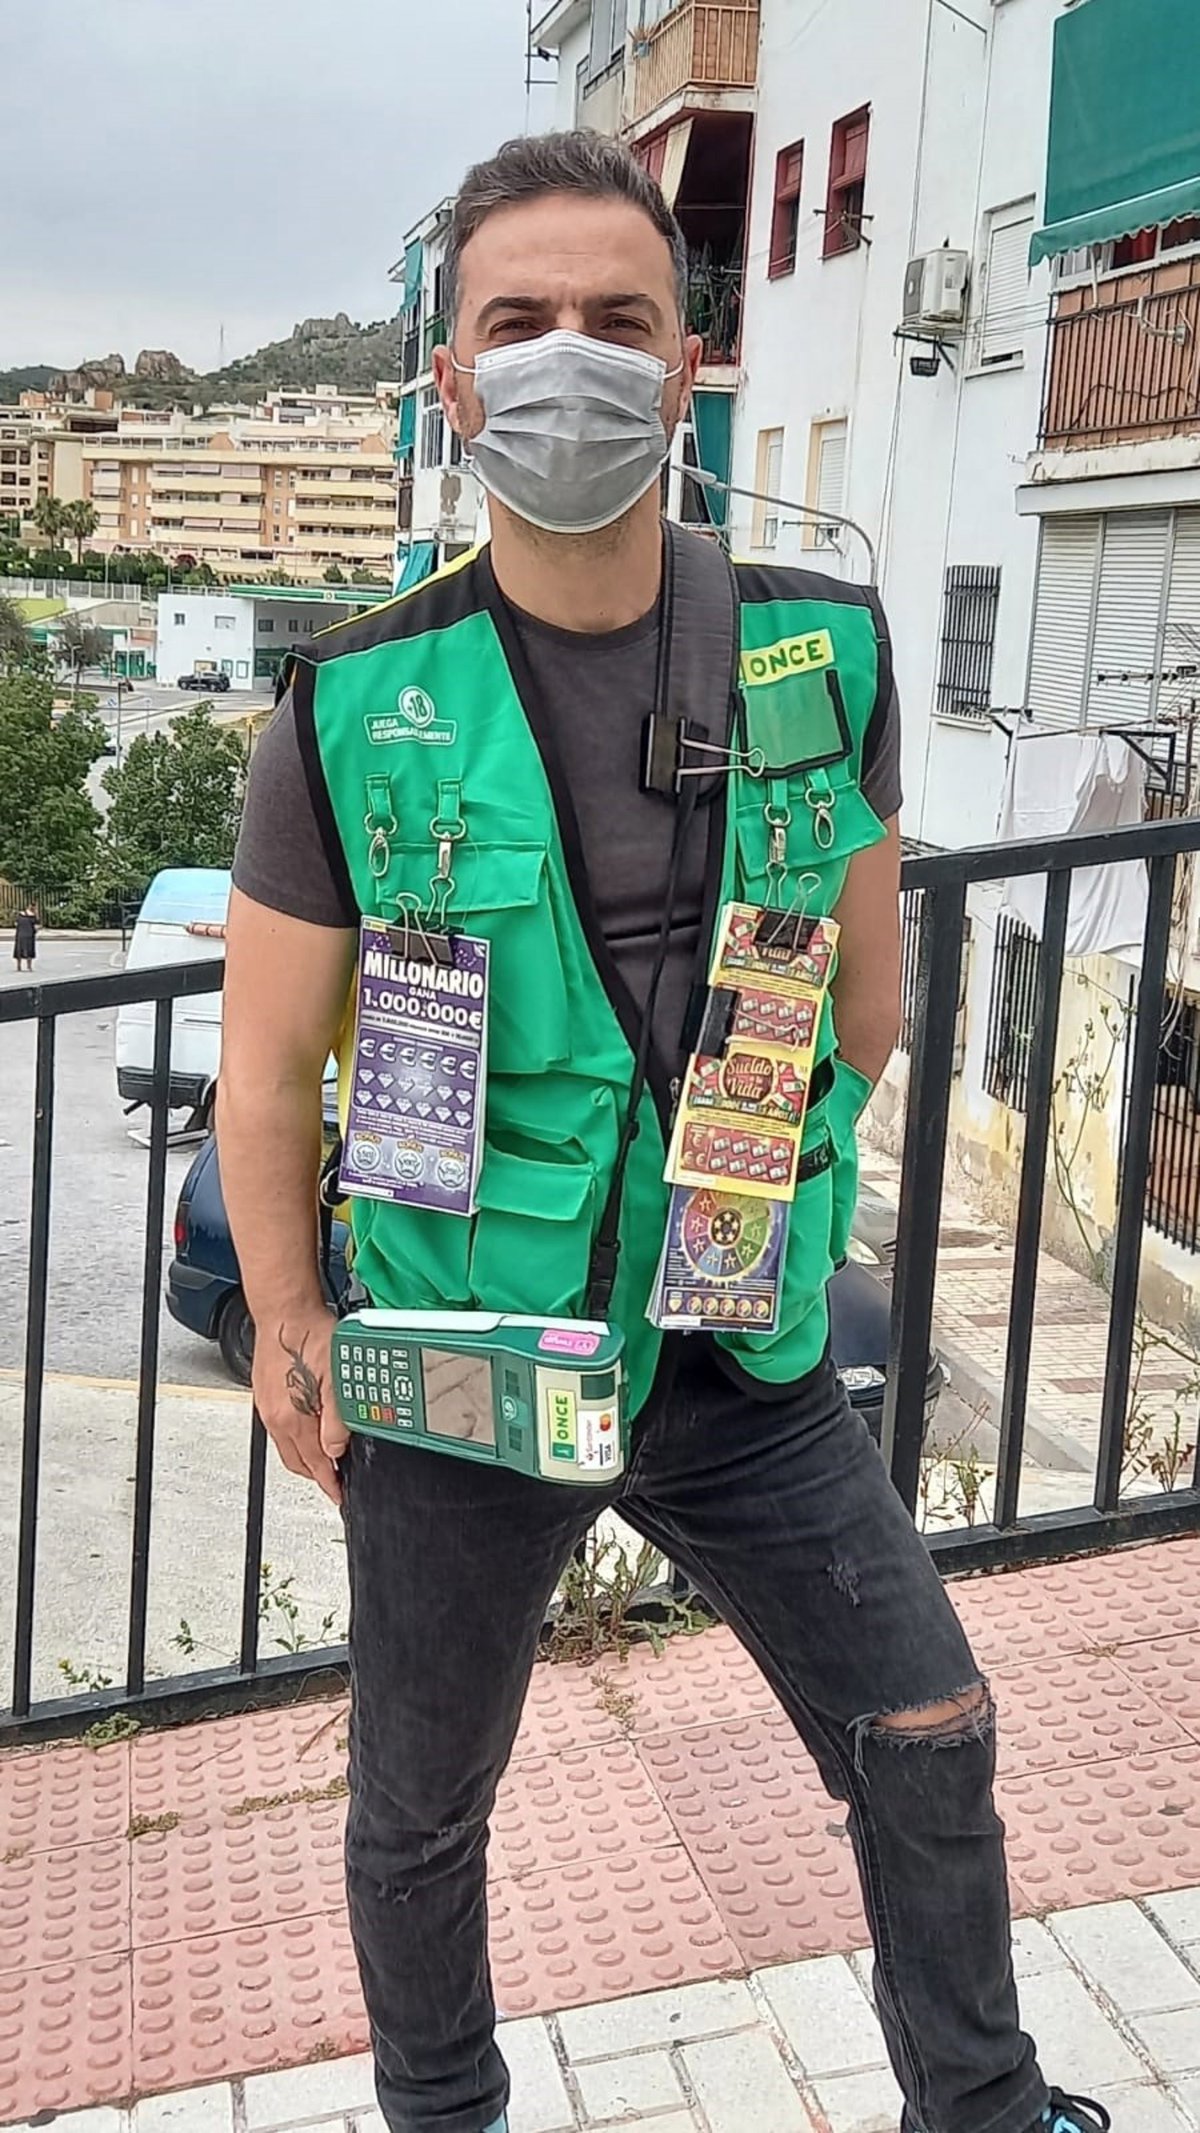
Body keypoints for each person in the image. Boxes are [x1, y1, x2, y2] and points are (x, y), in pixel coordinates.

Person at [218, 132, 1109, 2133]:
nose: (572, 358)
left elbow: (866, 997)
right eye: (521, 320)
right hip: (468, 1355)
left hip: (739, 1347)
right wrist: (289, 1327)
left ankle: (984, 2107)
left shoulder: (820, 646)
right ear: (453, 380)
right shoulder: (351, 705)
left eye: (618, 320)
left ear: (688, 363)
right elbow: (265, 1072)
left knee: (926, 1727)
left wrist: (760, 1190)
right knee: (421, 1806)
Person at [12, 905, 37, 973]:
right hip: (29, 935)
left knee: (19, 951)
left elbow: (15, 924)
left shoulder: (20, 915)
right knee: (29, 951)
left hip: (20, 935)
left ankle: (19, 966)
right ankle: (29, 966)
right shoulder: (33, 917)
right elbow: (35, 927)